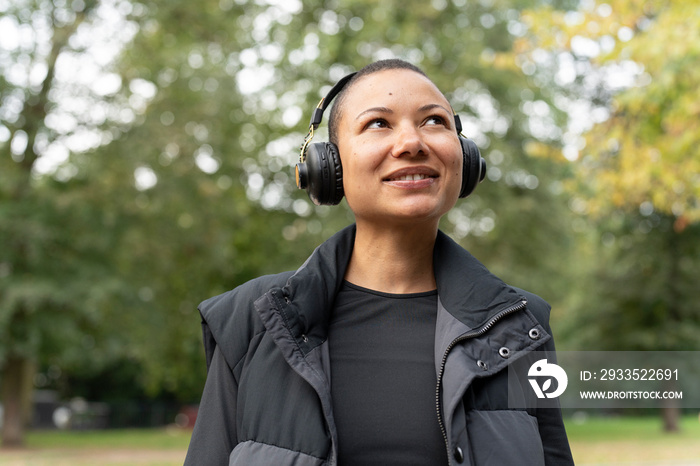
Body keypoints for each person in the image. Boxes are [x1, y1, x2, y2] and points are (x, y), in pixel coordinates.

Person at [184, 59, 574, 465]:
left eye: (434, 122)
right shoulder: (250, 321)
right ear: (328, 167)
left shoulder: (522, 325)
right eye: (378, 124)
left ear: (465, 158)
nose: (411, 143)